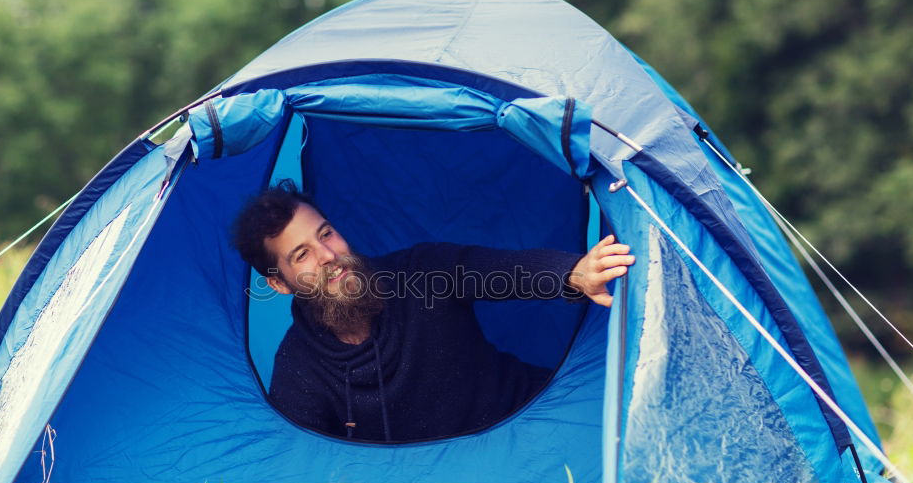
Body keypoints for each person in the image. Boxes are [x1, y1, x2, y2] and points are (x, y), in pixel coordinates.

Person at [232, 182, 634, 442]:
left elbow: (497, 271)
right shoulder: (299, 367)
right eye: (302, 254)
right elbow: (303, 466)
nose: (329, 256)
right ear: (280, 283)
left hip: (533, 422)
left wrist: (571, 274)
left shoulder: (421, 273)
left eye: (326, 234)